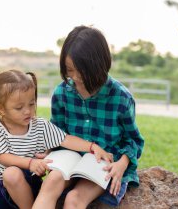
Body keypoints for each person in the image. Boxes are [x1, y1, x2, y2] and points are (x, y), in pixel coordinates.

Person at [0, 69, 112, 209]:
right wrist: (30, 162)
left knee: (12, 173)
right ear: (1, 108)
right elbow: (3, 157)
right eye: (19, 108)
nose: (27, 111)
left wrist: (92, 147)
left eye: (31, 104)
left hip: (24, 186)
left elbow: (65, 139)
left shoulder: (39, 125)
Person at [33, 25, 145, 208]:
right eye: (69, 69)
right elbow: (57, 132)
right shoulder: (62, 93)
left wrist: (122, 164)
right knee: (50, 184)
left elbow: (133, 140)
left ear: (99, 64)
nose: (76, 77)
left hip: (103, 160)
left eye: (82, 71)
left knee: (74, 199)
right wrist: (47, 151)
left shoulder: (121, 98)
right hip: (69, 155)